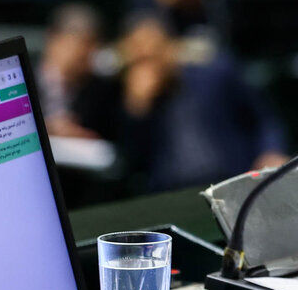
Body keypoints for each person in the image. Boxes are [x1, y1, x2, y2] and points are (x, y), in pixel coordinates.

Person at [108, 15, 287, 193]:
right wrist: (138, 107)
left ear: (171, 46)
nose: (151, 64)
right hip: (172, 192)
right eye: (142, 59)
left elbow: (263, 118)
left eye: (155, 51)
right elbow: (132, 159)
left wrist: (272, 151)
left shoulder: (213, 75)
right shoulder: (132, 101)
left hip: (231, 179)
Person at [36, 4, 118, 139]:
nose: (90, 52)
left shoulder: (102, 92)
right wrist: (46, 129)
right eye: (84, 42)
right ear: (54, 38)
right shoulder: (21, 78)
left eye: (96, 45)